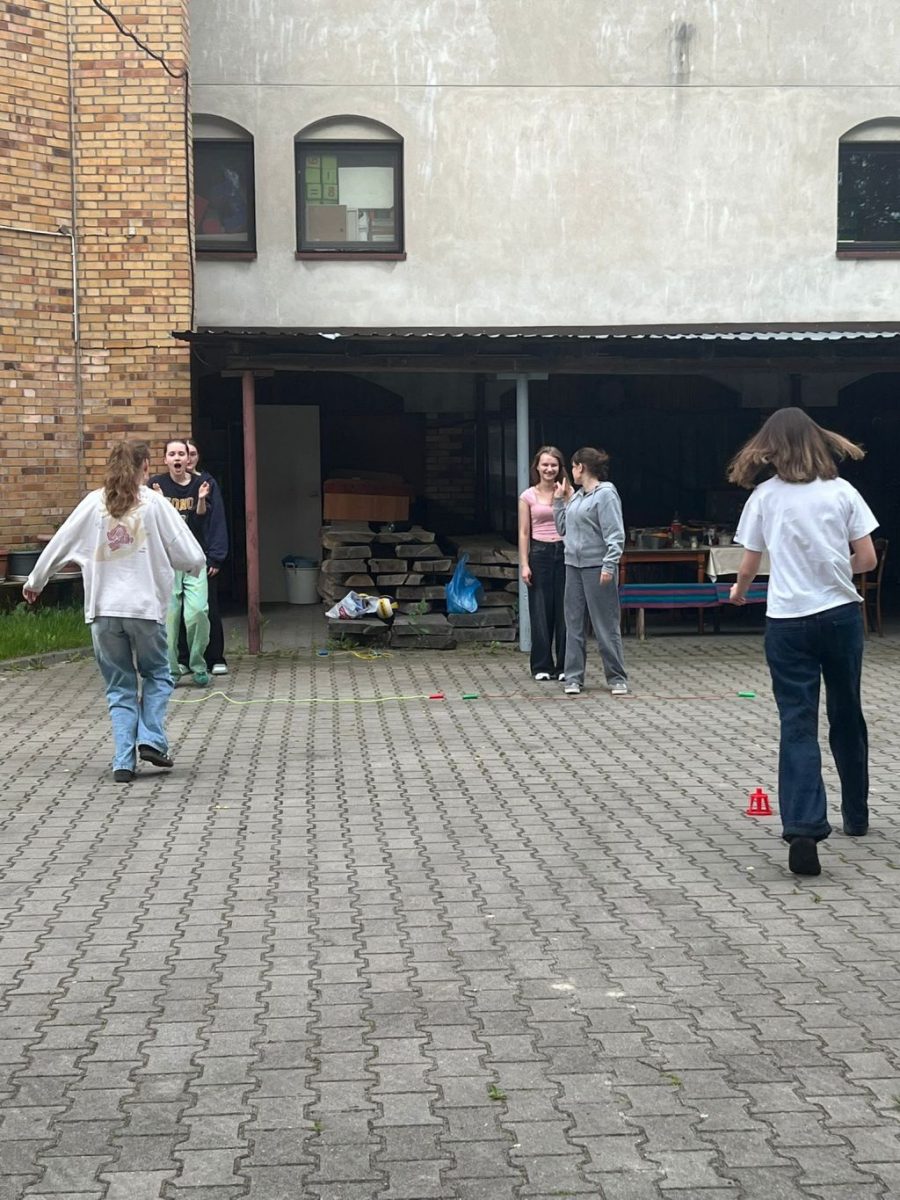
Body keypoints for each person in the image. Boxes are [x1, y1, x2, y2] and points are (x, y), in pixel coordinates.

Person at [728, 407, 878, 878]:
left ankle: (803, 829)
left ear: (770, 448)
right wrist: (831, 569)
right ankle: (856, 813)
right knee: (846, 712)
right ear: (817, 441)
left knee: (797, 723)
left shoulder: (764, 497)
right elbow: (867, 558)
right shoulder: (842, 492)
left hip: (788, 622)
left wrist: (739, 591)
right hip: (840, 616)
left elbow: (750, 562)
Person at [22, 441, 206, 783]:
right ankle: (151, 739)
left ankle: (123, 761)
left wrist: (36, 580)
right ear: (145, 467)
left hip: (103, 610)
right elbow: (189, 555)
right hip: (144, 609)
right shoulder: (155, 504)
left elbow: (61, 542)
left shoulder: (94, 503)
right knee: (158, 675)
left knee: (120, 686)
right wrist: (195, 567)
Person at [553, 446, 629, 697]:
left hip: (597, 566)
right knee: (573, 623)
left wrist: (609, 564)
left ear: (581, 467)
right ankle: (573, 677)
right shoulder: (576, 497)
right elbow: (562, 529)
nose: (571, 471)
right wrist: (559, 500)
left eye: (573, 466)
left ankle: (617, 677)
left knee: (605, 624)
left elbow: (615, 533)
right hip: (573, 566)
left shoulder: (605, 494)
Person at [149, 439, 225, 687]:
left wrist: (201, 499)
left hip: (194, 559)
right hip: (167, 562)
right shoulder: (155, 485)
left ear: (189, 458)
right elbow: (151, 523)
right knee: (170, 617)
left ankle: (198, 664)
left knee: (198, 612)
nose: (178, 458)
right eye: (172, 454)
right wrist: (159, 501)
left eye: (182, 453)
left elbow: (203, 520)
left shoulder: (201, 484)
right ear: (165, 459)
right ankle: (171, 669)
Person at [519, 446, 569, 680]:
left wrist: (564, 497)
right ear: (537, 467)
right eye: (545, 464)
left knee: (565, 611)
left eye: (554, 465)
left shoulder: (569, 492)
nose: (549, 469)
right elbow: (523, 532)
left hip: (565, 552)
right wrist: (524, 564)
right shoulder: (527, 496)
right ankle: (541, 666)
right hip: (539, 553)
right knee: (540, 610)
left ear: (560, 468)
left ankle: (565, 666)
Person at [180, 439, 229, 676]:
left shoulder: (207, 483)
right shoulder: (165, 485)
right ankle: (183, 658)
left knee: (208, 609)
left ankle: (215, 657)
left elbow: (216, 520)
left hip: (203, 557)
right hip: (177, 559)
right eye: (184, 454)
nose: (188, 459)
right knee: (177, 611)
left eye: (192, 454)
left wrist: (216, 557)